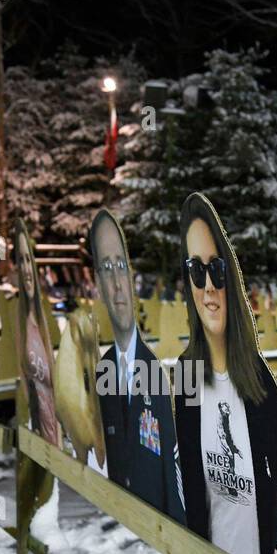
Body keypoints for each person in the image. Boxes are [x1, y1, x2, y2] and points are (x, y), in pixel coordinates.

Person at [173, 193, 277, 554]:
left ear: (230, 277)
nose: (209, 287)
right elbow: (184, 469)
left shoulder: (255, 378)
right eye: (196, 272)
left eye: (216, 270)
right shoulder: (186, 372)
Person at [89, 209, 186, 522]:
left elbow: (171, 461)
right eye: (107, 269)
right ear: (97, 284)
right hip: (122, 524)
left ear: (131, 277)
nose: (117, 284)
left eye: (121, 266)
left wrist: (178, 531)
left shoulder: (152, 369)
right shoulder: (105, 368)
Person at [14, 220, 61, 446]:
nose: (25, 269)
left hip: (56, 434)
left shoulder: (42, 321)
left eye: (28, 260)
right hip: (40, 439)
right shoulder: (21, 325)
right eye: (19, 261)